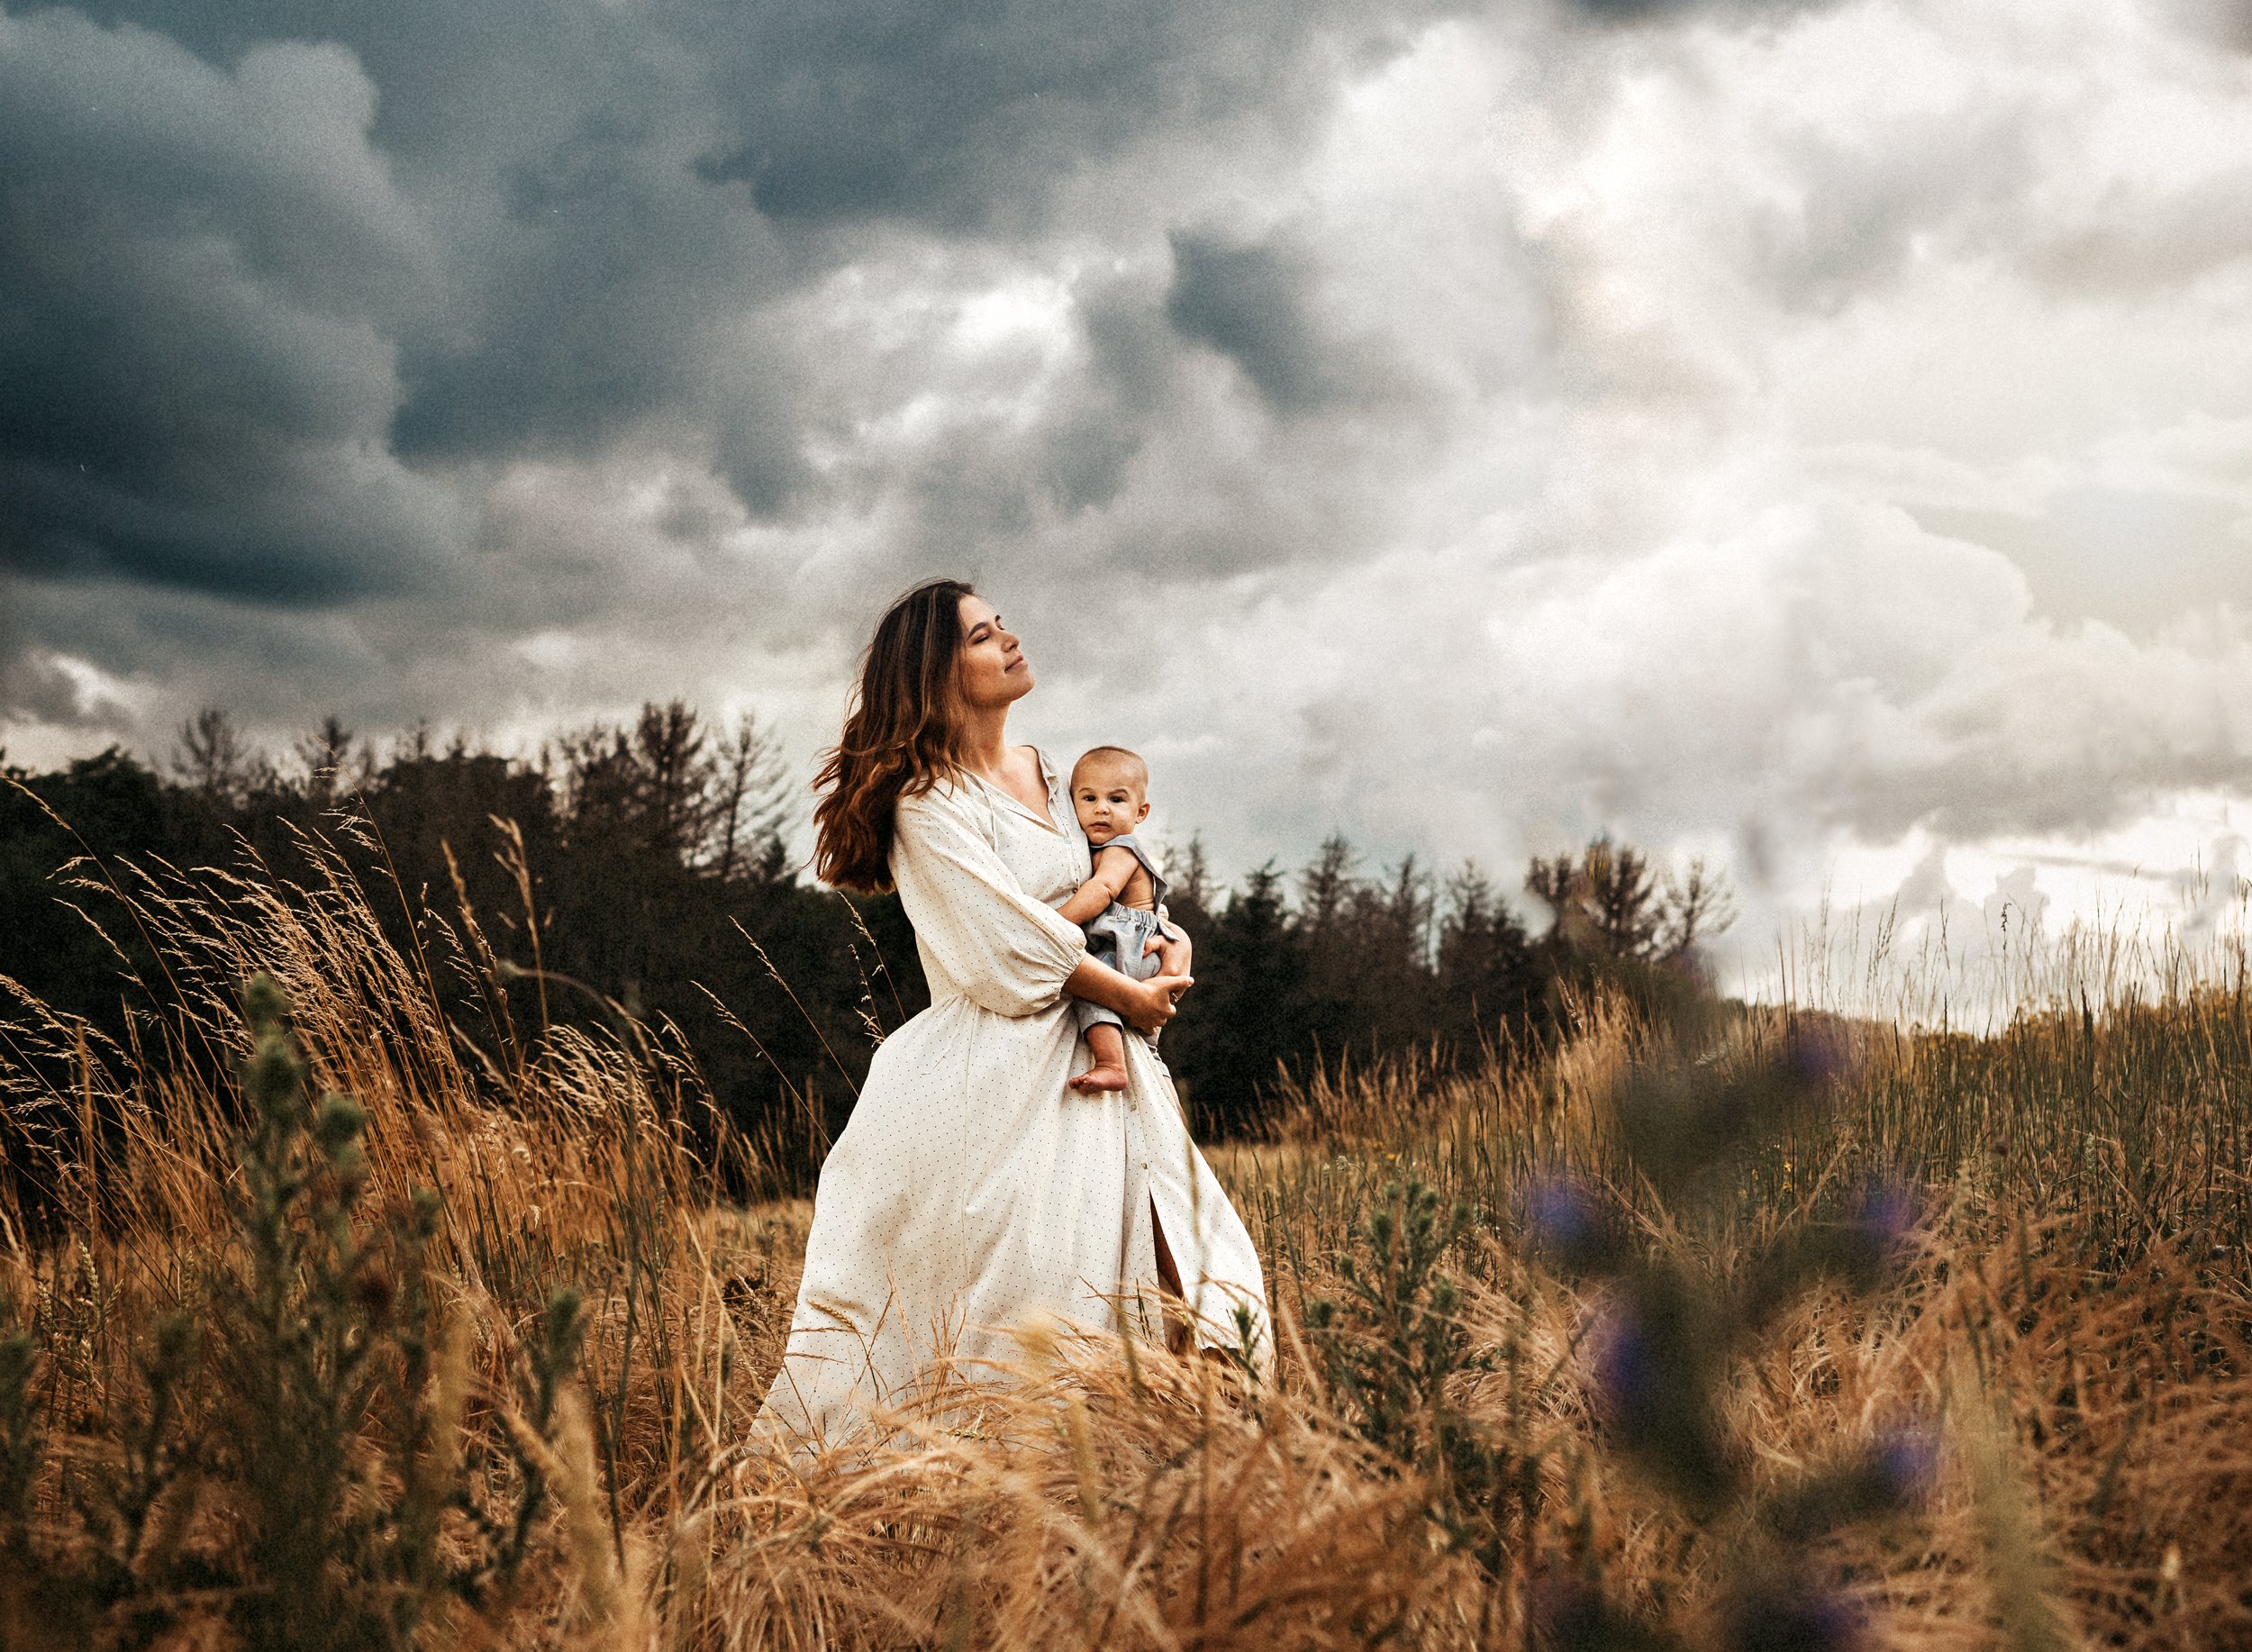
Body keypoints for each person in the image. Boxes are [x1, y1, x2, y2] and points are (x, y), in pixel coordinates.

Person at [752, 579, 1271, 1453]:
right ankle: (993, 1513)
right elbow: (999, 948)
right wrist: (1124, 996)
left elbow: (1117, 884)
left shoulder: (1053, 774)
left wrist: (1165, 944)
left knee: (1205, 1280)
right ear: (936, 672)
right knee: (1033, 1306)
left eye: (1002, 624)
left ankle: (1181, 1490)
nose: (1009, 639)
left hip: (1109, 1069)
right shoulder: (928, 800)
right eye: (983, 636)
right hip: (996, 1075)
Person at [1056, 745, 1172, 1096]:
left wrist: (1054, 921)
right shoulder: (1094, 847)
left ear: (1141, 812)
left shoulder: (1122, 848)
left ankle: (1111, 1064)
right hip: (1126, 943)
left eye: (1116, 800)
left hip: (1130, 944)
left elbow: (1103, 889)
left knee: (1095, 991)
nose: (1101, 808)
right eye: (1088, 798)